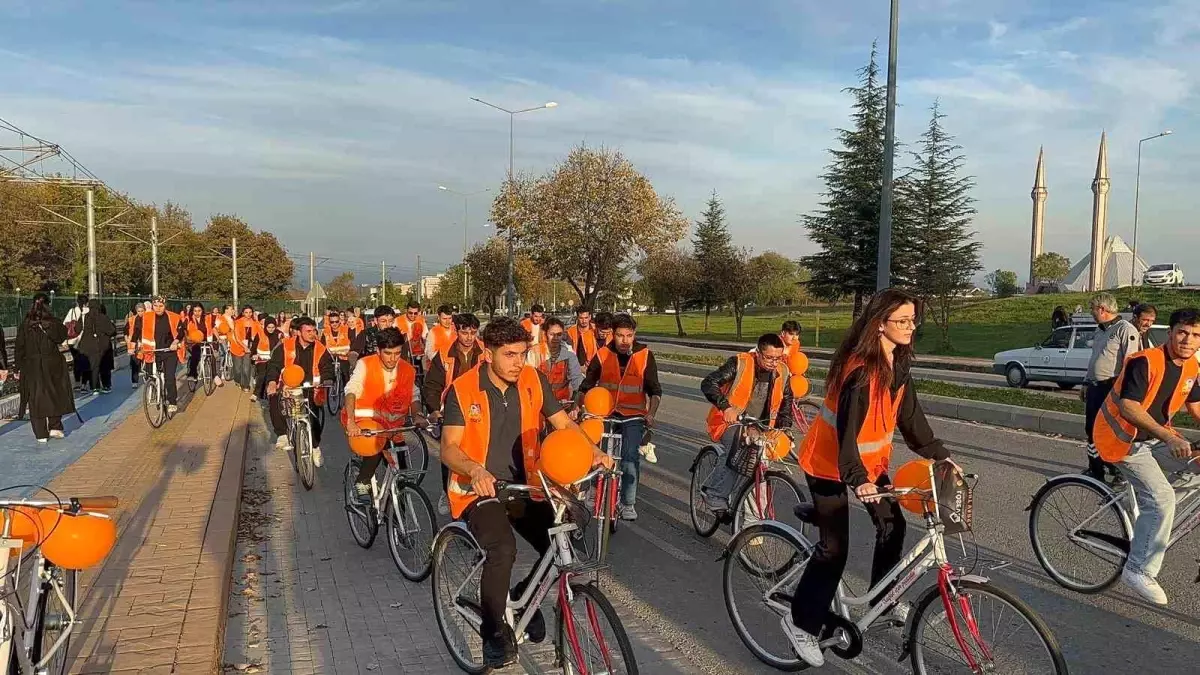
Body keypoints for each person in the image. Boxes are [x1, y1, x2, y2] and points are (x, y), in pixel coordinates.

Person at [786, 289, 950, 666]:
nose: (911, 327)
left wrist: (942, 456)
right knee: (834, 550)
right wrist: (859, 480)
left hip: (868, 465)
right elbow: (846, 437)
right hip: (829, 464)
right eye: (903, 321)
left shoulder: (899, 363)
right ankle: (800, 623)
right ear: (880, 325)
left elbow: (911, 420)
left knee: (893, 524)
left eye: (913, 320)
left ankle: (884, 598)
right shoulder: (859, 370)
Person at [439, 317, 611, 668]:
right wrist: (475, 469)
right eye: (510, 355)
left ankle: (522, 596)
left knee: (563, 539)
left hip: (525, 486)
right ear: (488, 354)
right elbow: (449, 448)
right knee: (503, 549)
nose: (519, 362)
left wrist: (592, 450)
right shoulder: (463, 389)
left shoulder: (532, 379)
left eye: (523, 353)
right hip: (478, 490)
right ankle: (493, 631)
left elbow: (563, 424)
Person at [1091, 308, 1200, 605]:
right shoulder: (1145, 361)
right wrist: (1168, 436)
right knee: (1162, 497)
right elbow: (1129, 407)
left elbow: (1197, 407)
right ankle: (1138, 569)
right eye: (1182, 332)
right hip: (1120, 440)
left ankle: (1144, 505)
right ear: (1170, 332)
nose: (1188, 340)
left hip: (1153, 438)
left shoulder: (1191, 368)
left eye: (1196, 335)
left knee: (1195, 468)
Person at [576, 313, 662, 520]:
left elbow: (655, 390)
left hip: (633, 415)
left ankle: (627, 503)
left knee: (630, 457)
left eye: (629, 336)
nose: (624, 341)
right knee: (598, 455)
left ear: (634, 335)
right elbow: (586, 385)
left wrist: (650, 414)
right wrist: (579, 407)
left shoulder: (644, 355)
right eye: (620, 336)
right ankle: (596, 489)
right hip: (604, 414)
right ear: (613, 335)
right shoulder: (603, 354)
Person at [699, 333, 794, 510]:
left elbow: (787, 401)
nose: (774, 363)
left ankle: (753, 524)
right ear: (758, 352)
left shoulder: (783, 371)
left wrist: (785, 428)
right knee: (741, 447)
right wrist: (725, 406)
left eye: (778, 358)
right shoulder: (740, 363)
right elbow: (709, 382)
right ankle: (714, 493)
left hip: (763, 426)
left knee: (760, 466)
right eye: (769, 358)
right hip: (729, 422)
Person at [344, 327, 425, 503]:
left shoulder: (407, 369)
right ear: (378, 351)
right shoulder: (365, 364)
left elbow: (414, 395)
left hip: (393, 428)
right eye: (388, 353)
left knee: (402, 476)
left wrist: (418, 414)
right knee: (374, 450)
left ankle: (398, 519)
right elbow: (351, 390)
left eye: (397, 353)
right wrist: (351, 422)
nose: (393, 359)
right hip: (365, 423)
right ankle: (362, 481)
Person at [422, 313, 485, 514]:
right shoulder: (443, 355)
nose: (468, 337)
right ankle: (446, 491)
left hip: (480, 409)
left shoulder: (486, 352)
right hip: (451, 409)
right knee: (449, 452)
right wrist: (433, 410)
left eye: (473, 333)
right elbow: (431, 385)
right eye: (464, 332)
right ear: (457, 331)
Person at [1084, 292, 1141, 484]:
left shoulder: (1125, 329)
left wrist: (1123, 392)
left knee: (1110, 431)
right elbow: (1094, 359)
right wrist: (1086, 382)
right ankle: (1096, 468)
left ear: (1102, 309)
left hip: (1111, 387)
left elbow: (1130, 362)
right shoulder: (1100, 330)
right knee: (1091, 429)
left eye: (1093, 309)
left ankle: (1118, 471)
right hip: (1094, 386)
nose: (1091, 313)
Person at [266, 317, 335, 467]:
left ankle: (315, 447)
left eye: (314, 331)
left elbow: (327, 367)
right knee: (274, 399)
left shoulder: (320, 348)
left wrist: (328, 378)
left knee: (315, 419)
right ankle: (282, 434)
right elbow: (274, 365)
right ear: (298, 332)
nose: (312, 334)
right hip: (288, 386)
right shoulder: (285, 346)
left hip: (311, 388)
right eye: (308, 331)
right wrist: (272, 382)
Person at [14, 294, 76, 442]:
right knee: (55, 392)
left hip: (31, 365)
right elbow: (62, 337)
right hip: (53, 362)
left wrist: (17, 368)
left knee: (35, 397)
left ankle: (41, 433)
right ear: (48, 305)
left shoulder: (25, 325)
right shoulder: (53, 323)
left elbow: (19, 347)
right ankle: (55, 426)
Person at [131, 297, 185, 414]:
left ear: (165, 306)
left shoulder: (173, 317)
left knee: (169, 378)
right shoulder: (145, 317)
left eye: (161, 306)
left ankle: (172, 401)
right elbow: (137, 331)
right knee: (152, 375)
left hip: (169, 351)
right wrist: (132, 345)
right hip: (152, 352)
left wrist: (175, 342)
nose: (158, 309)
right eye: (156, 306)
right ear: (152, 306)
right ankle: (155, 391)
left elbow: (181, 332)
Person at [527, 317, 583, 402]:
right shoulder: (534, 352)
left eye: (559, 334)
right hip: (539, 400)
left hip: (562, 402)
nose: (556, 338)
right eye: (552, 334)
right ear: (545, 334)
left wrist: (576, 402)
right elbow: (528, 378)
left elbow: (577, 380)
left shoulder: (568, 353)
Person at [77, 298, 116, 395]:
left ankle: (95, 387)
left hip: (87, 346)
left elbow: (77, 329)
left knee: (92, 367)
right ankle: (106, 386)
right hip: (102, 346)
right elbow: (111, 331)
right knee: (103, 366)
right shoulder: (103, 317)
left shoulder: (84, 317)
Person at [231, 305, 263, 393]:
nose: (248, 314)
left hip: (249, 348)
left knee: (246, 368)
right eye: (246, 312)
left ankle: (245, 385)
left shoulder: (255, 323)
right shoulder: (237, 322)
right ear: (243, 313)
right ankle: (237, 380)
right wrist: (244, 347)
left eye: (250, 312)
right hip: (237, 347)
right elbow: (237, 337)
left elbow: (261, 335)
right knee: (237, 369)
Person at [321, 308, 355, 386]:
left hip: (344, 358)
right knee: (327, 374)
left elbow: (353, 342)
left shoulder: (346, 329)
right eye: (332, 322)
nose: (334, 324)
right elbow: (322, 345)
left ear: (339, 321)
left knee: (346, 378)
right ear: (329, 322)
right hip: (330, 358)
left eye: (336, 321)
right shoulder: (326, 332)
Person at [64, 293, 89, 391]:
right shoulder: (88, 311)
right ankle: (84, 384)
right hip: (84, 340)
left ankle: (77, 383)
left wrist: (65, 341)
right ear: (86, 303)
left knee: (77, 361)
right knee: (85, 362)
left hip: (72, 341)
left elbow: (65, 325)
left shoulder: (72, 311)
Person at [253, 317, 282, 400]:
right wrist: (254, 355)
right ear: (265, 327)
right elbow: (254, 348)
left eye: (273, 327)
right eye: (269, 327)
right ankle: (256, 393)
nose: (271, 329)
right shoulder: (259, 334)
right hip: (261, 360)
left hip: (274, 361)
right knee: (262, 374)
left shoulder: (279, 335)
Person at [424, 304, 458, 370]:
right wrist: (442, 363)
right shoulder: (433, 332)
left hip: (454, 366)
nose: (448, 321)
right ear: (439, 318)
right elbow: (429, 351)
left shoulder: (457, 330)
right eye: (444, 319)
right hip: (437, 368)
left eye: (450, 318)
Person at [182, 303, 209, 383]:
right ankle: (192, 373)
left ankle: (215, 376)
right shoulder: (188, 319)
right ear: (192, 311)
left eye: (199, 311)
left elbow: (211, 329)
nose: (197, 313)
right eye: (195, 311)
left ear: (202, 311)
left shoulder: (206, 319)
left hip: (204, 341)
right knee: (196, 353)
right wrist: (187, 338)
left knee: (211, 354)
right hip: (192, 342)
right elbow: (184, 330)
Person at [396, 301, 427, 368]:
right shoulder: (397, 321)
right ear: (406, 310)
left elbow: (425, 337)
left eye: (415, 313)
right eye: (410, 313)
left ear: (418, 312)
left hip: (417, 355)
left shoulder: (421, 320)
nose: (413, 315)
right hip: (402, 355)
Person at [126, 303, 146, 388]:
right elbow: (126, 330)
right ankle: (134, 381)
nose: (141, 313)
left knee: (148, 361)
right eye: (139, 311)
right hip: (135, 343)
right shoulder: (132, 320)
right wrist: (128, 340)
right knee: (135, 362)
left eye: (142, 311)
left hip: (146, 343)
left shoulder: (148, 319)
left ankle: (148, 377)